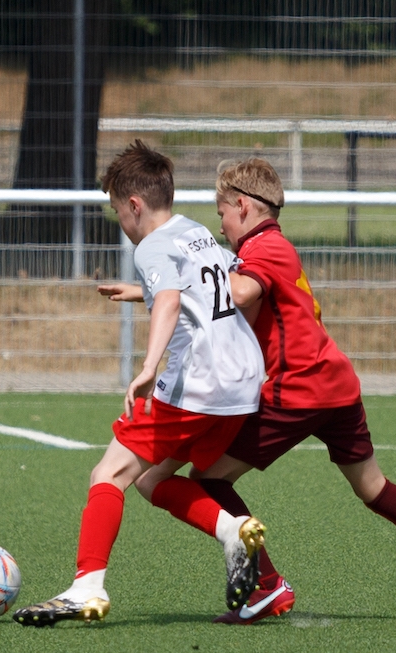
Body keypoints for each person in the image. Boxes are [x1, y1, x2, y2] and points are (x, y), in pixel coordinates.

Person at [102, 157, 396, 624]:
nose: (221, 225)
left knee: (208, 478)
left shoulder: (265, 247)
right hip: (336, 385)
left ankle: (268, 586)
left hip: (295, 389)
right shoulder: (270, 246)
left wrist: (171, 281)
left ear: (243, 207)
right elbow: (217, 289)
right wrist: (151, 289)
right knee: (374, 488)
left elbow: (238, 293)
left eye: (222, 214)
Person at [13, 140, 268, 628]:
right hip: (242, 386)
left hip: (199, 385)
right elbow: (220, 289)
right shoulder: (195, 231)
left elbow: (170, 299)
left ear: (134, 205)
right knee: (152, 481)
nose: (120, 223)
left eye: (116, 211)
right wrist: (142, 292)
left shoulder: (151, 245)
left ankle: (86, 587)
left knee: (108, 474)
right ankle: (232, 530)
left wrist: (149, 366)